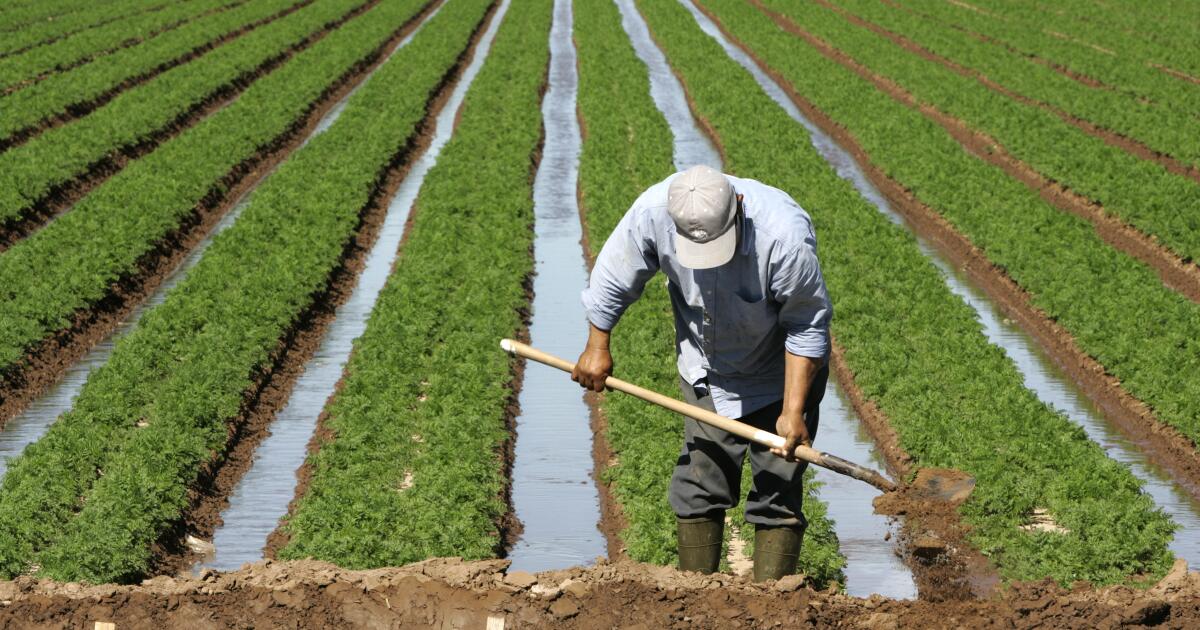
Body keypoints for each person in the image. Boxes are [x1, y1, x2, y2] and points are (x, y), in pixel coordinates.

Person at [573, 165, 831, 582]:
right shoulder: (654, 213)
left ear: (739, 208)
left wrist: (793, 410)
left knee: (777, 486)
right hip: (707, 370)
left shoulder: (782, 237)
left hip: (782, 373)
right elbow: (613, 277)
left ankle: (775, 607)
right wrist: (596, 346)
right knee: (700, 481)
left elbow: (806, 325)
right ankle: (696, 603)